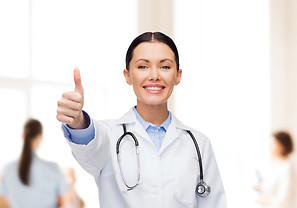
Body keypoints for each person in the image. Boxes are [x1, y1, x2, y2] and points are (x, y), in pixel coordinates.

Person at [57, 31, 227, 207]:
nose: (154, 75)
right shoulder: (109, 136)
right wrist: (77, 121)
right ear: (128, 76)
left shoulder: (198, 144)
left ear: (178, 75)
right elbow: (90, 142)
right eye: (143, 67)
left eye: (165, 67)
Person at [0, 119, 69, 208]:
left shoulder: (7, 169)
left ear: (23, 136)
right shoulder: (53, 168)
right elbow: (62, 203)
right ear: (40, 136)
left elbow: (3, 203)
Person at [254, 131, 296, 208]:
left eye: (273, 143)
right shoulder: (276, 164)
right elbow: (272, 186)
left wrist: (265, 201)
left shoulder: (288, 168)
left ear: (282, 146)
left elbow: (285, 199)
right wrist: (260, 187)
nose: (269, 146)